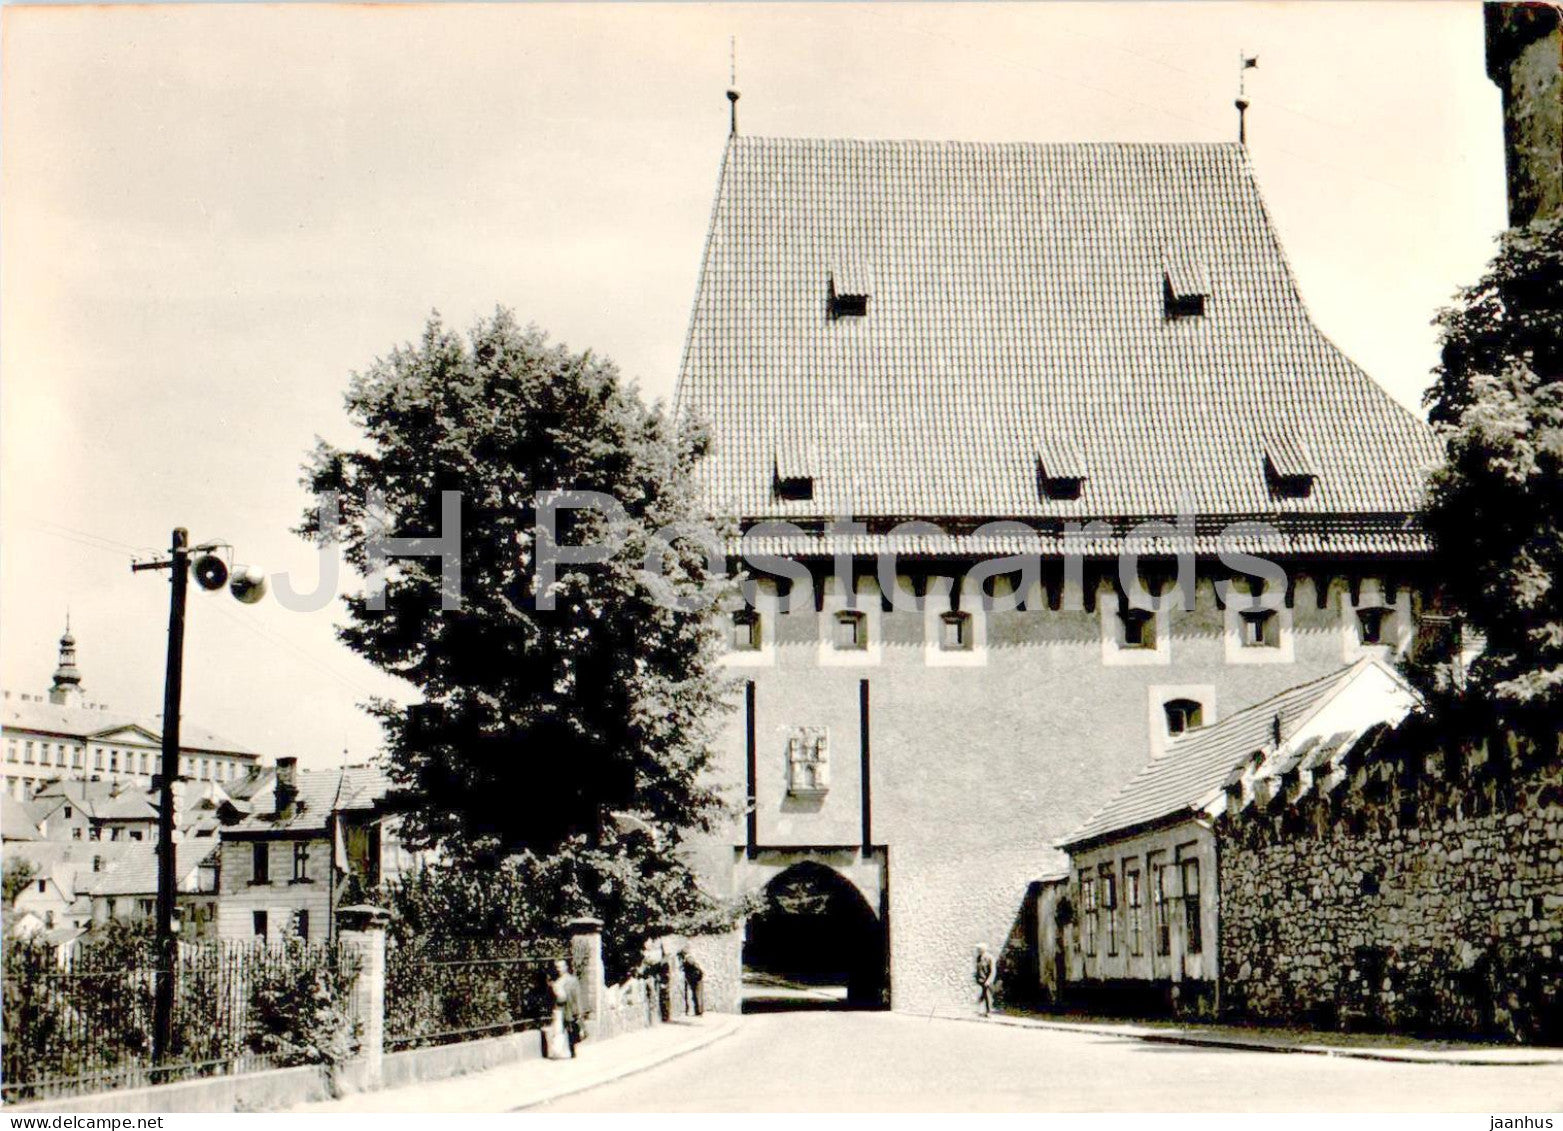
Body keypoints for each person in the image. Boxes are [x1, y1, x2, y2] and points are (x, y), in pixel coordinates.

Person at [546, 959, 584, 1059]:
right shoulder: (555, 982)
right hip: (558, 1009)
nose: (559, 969)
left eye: (561, 966)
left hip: (569, 1008)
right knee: (558, 1030)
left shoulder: (572, 980)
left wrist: (579, 1011)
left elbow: (577, 997)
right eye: (557, 967)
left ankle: (572, 1050)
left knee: (571, 1030)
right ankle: (557, 1052)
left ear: (566, 967)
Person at [974, 943, 996, 1017]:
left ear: (983, 950)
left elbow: (992, 971)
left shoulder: (989, 958)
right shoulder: (978, 957)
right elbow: (978, 968)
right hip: (980, 980)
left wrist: (988, 981)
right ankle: (980, 1009)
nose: (978, 951)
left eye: (979, 949)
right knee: (983, 994)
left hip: (986, 980)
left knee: (987, 995)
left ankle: (988, 1012)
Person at [681, 950, 705, 1017]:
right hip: (695, 981)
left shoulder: (689, 959)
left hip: (697, 981)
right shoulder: (688, 961)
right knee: (696, 996)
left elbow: (698, 971)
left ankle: (699, 1012)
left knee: (697, 996)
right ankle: (698, 1011)